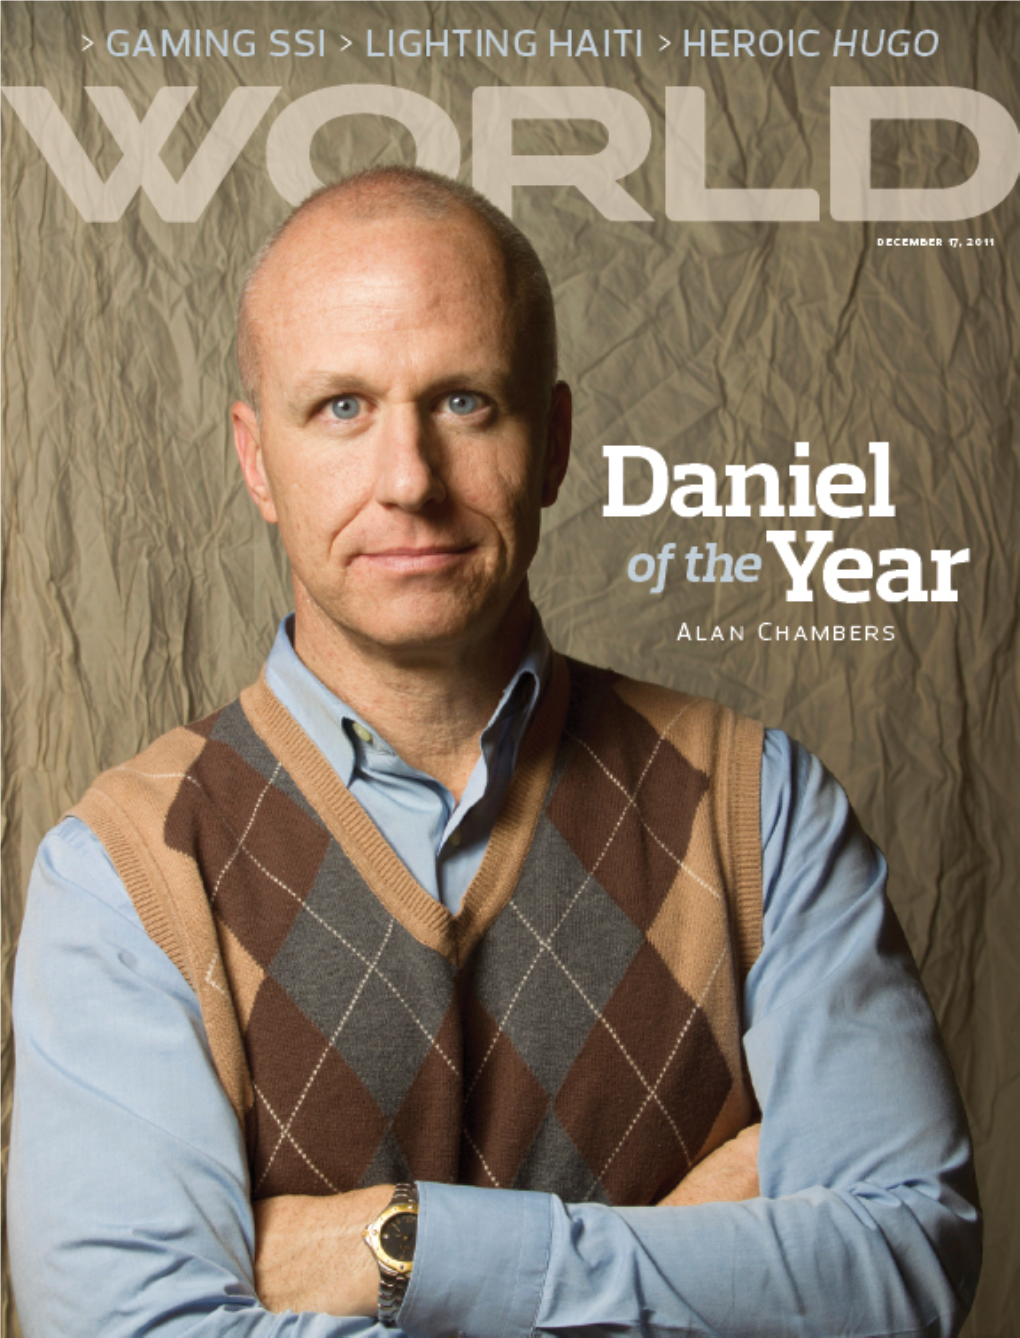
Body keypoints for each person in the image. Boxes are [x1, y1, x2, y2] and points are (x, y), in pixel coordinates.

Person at [8, 166, 980, 1338]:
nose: (409, 479)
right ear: (257, 459)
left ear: (557, 442)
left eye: (465, 401)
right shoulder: (127, 874)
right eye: (343, 409)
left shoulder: (762, 812)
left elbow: (905, 1275)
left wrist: (400, 1248)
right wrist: (691, 1251)